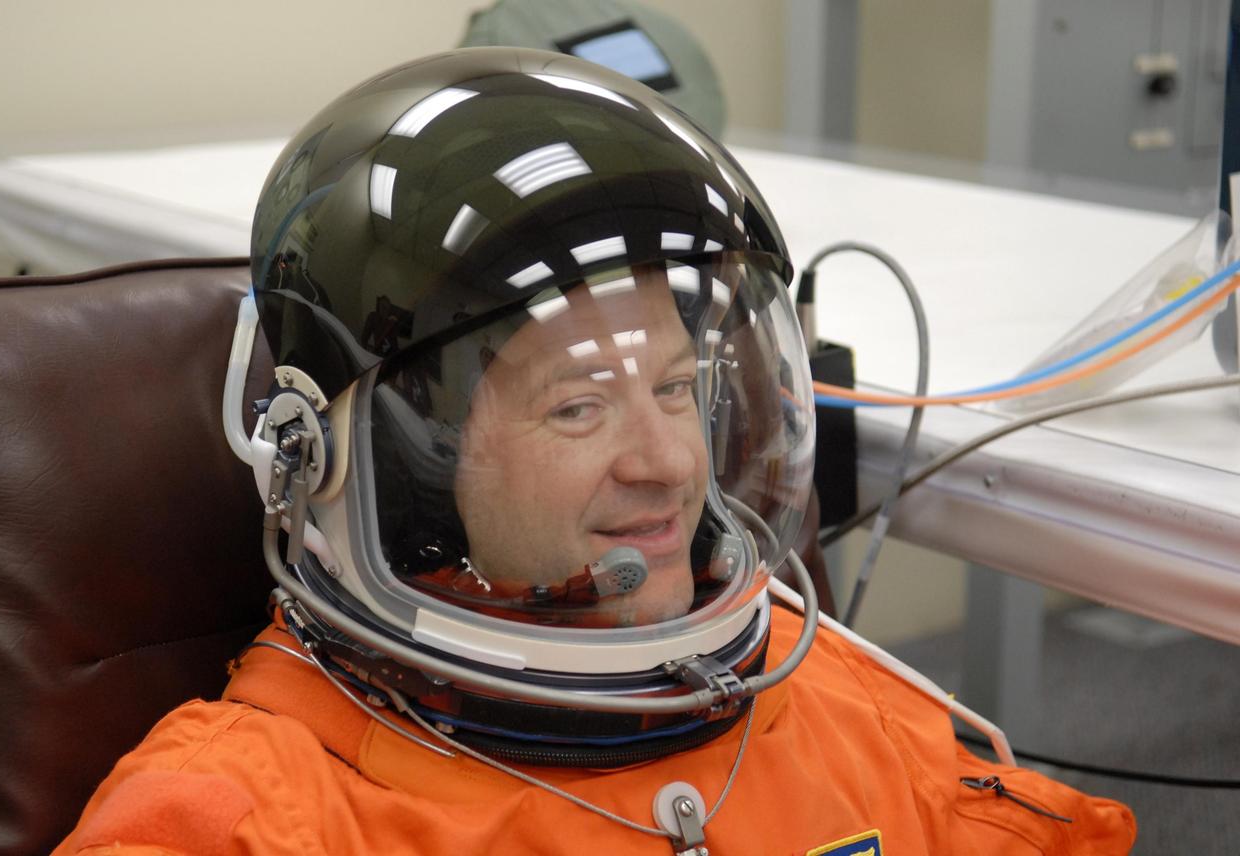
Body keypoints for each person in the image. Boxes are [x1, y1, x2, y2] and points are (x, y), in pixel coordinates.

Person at [55, 47, 1136, 855]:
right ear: (386, 463)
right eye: (577, 408)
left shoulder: (850, 714)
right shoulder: (253, 817)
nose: (667, 463)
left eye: (675, 388)